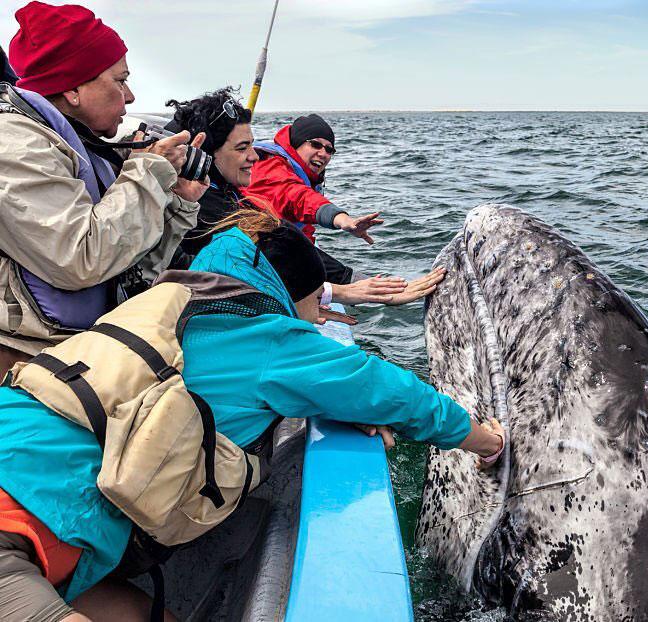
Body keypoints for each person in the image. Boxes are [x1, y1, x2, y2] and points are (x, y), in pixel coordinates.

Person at [0, 208, 505, 622]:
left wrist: (325, 401)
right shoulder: (269, 337)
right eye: (313, 302)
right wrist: (486, 442)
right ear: (290, 295)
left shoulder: (167, 301)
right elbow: (392, 392)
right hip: (25, 521)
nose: (314, 316)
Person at [0, 2, 206, 378]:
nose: (129, 96)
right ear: (74, 88)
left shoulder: (80, 146)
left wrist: (175, 201)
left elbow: (126, 269)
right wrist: (148, 169)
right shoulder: (15, 146)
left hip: (79, 352)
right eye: (120, 80)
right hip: (27, 364)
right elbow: (80, 260)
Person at [168, 90, 443, 306]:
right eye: (242, 148)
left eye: (330, 149)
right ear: (200, 155)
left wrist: (347, 285)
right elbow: (278, 226)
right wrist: (343, 290)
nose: (253, 156)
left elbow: (279, 241)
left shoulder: (223, 190)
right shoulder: (217, 200)